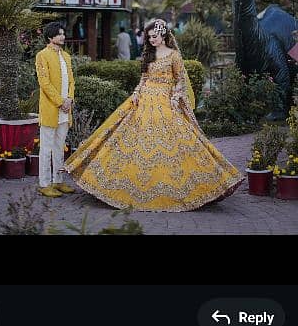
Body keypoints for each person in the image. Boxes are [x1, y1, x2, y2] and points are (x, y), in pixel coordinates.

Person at [65, 18, 244, 211]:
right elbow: (144, 78)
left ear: (164, 35)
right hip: (143, 99)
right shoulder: (148, 54)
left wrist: (176, 97)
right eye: (149, 37)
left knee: (173, 142)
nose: (151, 40)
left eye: (155, 36)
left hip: (165, 101)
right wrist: (135, 93)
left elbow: (180, 80)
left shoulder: (174, 55)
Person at [35, 22, 76, 198]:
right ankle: (44, 184)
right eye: (59, 34)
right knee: (46, 148)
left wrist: (70, 99)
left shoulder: (66, 56)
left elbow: (72, 81)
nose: (63, 36)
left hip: (65, 110)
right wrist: (61, 102)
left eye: (63, 33)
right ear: (50, 37)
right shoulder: (42, 56)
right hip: (52, 108)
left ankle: (57, 181)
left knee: (60, 146)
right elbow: (44, 83)